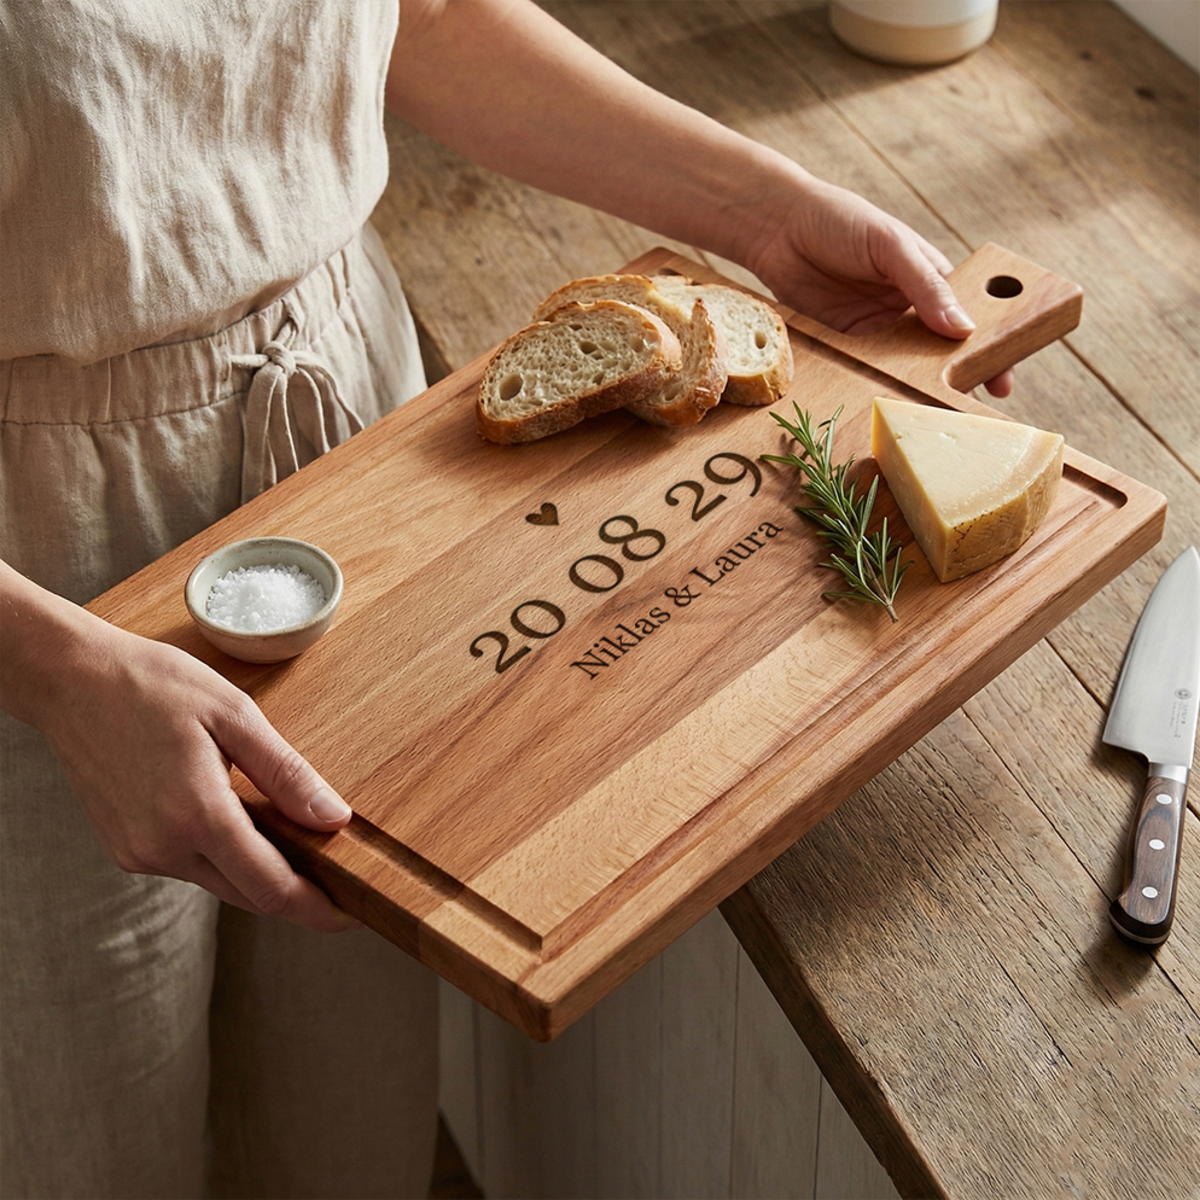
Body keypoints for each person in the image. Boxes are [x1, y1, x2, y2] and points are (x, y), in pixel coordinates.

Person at [0, 1, 1013, 1196]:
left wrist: (765, 212)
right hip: (43, 569)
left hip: (355, 447)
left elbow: (419, 15)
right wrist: (55, 669)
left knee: (350, 1118)